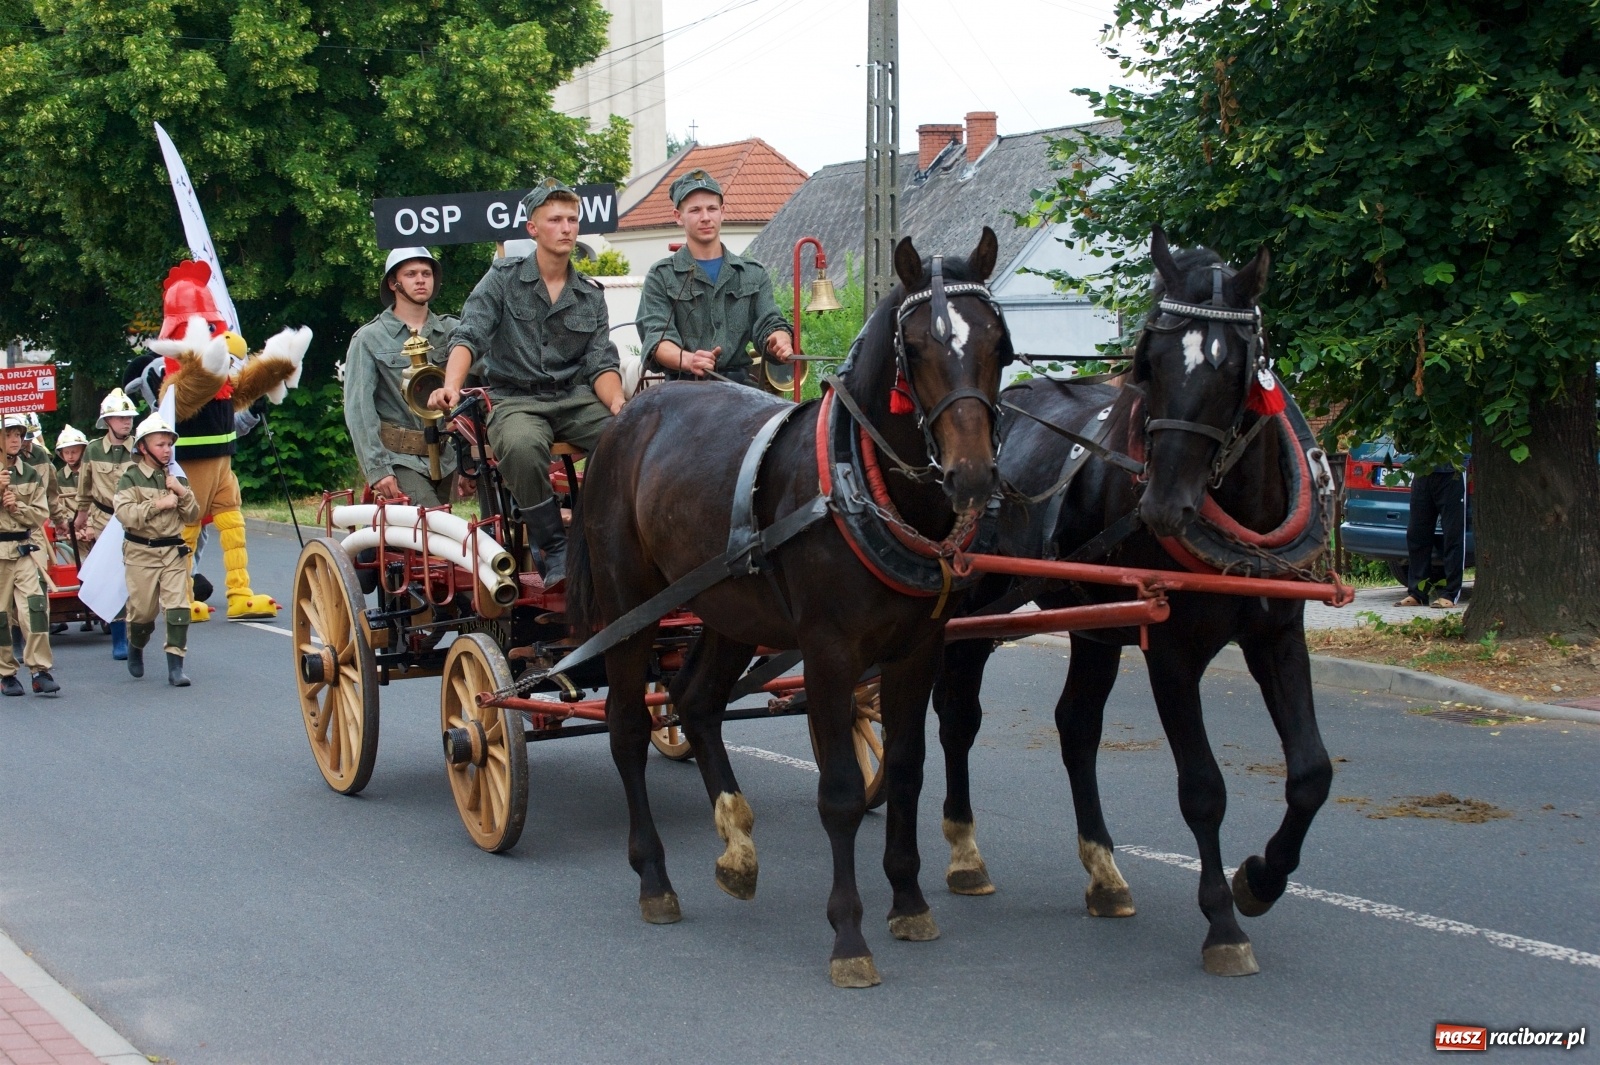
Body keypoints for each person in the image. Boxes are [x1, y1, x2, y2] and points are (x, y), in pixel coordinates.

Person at [429, 178, 625, 586]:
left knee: (628, 438)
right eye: (555, 219)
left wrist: (620, 406)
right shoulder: (503, 278)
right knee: (520, 445)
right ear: (533, 228)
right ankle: (552, 548)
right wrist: (451, 385)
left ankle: (610, 532)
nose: (567, 227)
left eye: (573, 219)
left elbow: (600, 363)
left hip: (574, 398)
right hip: (516, 399)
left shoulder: (589, 295)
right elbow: (469, 335)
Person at [636, 169, 793, 386]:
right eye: (695, 210)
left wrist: (779, 338)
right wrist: (689, 360)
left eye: (712, 208)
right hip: (683, 389)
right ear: (678, 217)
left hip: (741, 388)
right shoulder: (661, 276)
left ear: (723, 211)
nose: (705, 217)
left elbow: (769, 321)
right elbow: (657, 339)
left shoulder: (752, 273)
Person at [344, 247, 464, 507]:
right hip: (398, 459)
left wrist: (468, 460)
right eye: (411, 274)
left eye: (426, 273)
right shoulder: (368, 338)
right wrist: (378, 469)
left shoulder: (452, 331)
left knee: (428, 539)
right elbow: (359, 411)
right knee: (434, 525)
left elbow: (475, 392)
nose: (421, 280)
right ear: (393, 282)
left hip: (445, 458)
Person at [114, 412, 200, 686]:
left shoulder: (177, 478)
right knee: (142, 613)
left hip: (173, 552)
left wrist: (182, 493)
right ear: (143, 447)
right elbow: (125, 514)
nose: (166, 449)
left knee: (178, 608)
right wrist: (158, 505)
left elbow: (193, 516)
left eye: (169, 444)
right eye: (160, 444)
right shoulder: (130, 478)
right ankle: (136, 645)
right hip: (141, 553)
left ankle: (176, 666)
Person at [76, 388, 138, 659]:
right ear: (108, 421)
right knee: (112, 576)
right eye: (120, 417)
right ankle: (118, 636)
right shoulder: (91, 449)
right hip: (103, 519)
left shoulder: (140, 448)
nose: (126, 421)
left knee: (136, 575)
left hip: (134, 519)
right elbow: (85, 487)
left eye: (129, 417)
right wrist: (80, 516)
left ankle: (136, 630)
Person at [0, 414, 58, 695]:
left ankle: (40, 669)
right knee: (1, 616)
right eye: (9, 434)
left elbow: (39, 516)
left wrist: (16, 508)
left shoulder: (31, 473)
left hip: (24, 550)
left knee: (35, 609)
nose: (15, 439)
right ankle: (6, 673)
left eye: (18, 434)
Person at [1397, 462, 1467, 609]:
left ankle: (1451, 593)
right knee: (1416, 533)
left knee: (1452, 535)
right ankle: (1417, 593)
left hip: (1452, 472)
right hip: (1422, 471)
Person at [52, 425, 91, 633]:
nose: (70, 455)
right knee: (76, 569)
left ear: (83, 450)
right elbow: (59, 506)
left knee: (96, 568)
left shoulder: (90, 471)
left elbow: (97, 499)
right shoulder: (58, 477)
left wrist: (89, 525)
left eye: (74, 451)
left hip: (92, 528)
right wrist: (71, 527)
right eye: (66, 452)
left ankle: (99, 611)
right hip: (71, 532)